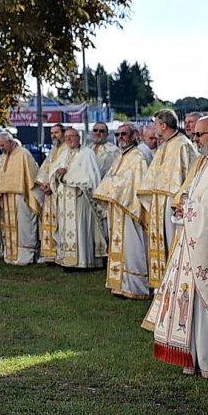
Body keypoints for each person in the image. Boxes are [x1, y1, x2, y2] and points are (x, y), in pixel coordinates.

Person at [142, 116, 208, 380]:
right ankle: (196, 359)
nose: (195, 139)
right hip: (196, 243)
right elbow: (197, 198)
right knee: (193, 306)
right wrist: (186, 203)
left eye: (200, 135)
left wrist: (188, 209)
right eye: (195, 134)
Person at [138, 109, 196, 289]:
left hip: (173, 204)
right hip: (159, 202)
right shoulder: (165, 145)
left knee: (173, 244)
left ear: (163, 125)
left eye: (156, 124)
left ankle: (175, 285)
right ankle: (162, 286)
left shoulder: (182, 145)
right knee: (160, 246)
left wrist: (182, 201)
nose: (154, 128)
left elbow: (191, 176)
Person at [93, 123, 151, 299]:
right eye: (117, 135)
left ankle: (135, 287)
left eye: (124, 134)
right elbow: (111, 178)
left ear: (134, 135)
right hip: (117, 208)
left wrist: (110, 191)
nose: (120, 138)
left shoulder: (138, 157)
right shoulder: (122, 156)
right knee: (119, 247)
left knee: (132, 247)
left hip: (130, 209)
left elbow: (135, 184)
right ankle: (119, 284)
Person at [52, 127, 105, 270]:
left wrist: (68, 177)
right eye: (67, 136)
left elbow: (91, 177)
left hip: (80, 198)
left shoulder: (87, 154)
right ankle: (67, 261)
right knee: (66, 231)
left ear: (78, 138)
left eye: (72, 136)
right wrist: (57, 174)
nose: (69, 139)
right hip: (65, 200)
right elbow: (54, 172)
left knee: (80, 230)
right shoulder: (63, 154)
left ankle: (82, 262)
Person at [0, 133, 41, 265]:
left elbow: (32, 175)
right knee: (8, 227)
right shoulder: (3, 157)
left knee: (23, 226)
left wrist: (30, 194)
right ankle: (10, 255)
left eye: (3, 145)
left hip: (21, 197)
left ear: (10, 142)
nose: (1, 148)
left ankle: (25, 255)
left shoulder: (23, 154)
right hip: (6, 197)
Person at [35, 124, 70, 264]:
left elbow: (66, 170)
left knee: (60, 223)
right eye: (52, 133)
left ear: (63, 133)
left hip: (61, 192)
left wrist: (52, 185)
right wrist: (43, 184)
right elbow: (46, 168)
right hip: (49, 192)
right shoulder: (54, 150)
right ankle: (49, 253)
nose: (54, 135)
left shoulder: (68, 149)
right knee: (49, 222)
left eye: (56, 132)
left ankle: (60, 252)